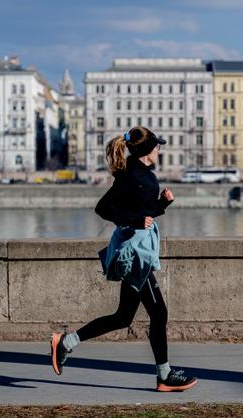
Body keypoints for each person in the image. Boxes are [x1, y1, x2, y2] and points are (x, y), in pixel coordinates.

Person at [50, 126, 198, 392]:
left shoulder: (142, 174)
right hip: (134, 253)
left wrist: (162, 205)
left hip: (139, 250)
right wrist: (134, 221)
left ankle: (66, 342)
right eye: (157, 146)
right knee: (159, 312)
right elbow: (104, 208)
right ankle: (164, 376)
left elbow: (143, 212)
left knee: (123, 317)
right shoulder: (130, 175)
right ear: (147, 150)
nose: (159, 150)